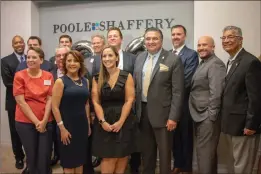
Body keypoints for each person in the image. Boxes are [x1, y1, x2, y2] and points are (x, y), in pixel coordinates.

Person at [133, 27, 184, 174]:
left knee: (164, 154)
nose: (151, 42)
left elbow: (178, 91)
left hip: (164, 115)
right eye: (148, 39)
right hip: (142, 113)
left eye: (155, 38)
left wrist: (173, 117)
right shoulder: (140, 58)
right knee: (147, 154)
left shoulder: (173, 59)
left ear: (161, 40)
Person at [220, 26, 261, 174]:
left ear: (240, 40)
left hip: (244, 126)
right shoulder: (232, 61)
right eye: (223, 38)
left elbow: (256, 97)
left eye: (230, 37)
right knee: (235, 164)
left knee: (243, 166)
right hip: (231, 124)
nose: (226, 41)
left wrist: (251, 124)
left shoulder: (251, 62)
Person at [91, 45, 137, 174]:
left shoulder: (126, 76)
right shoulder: (96, 77)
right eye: (104, 56)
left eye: (110, 55)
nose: (107, 58)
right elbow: (96, 101)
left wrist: (121, 121)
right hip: (104, 121)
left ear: (116, 57)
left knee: (122, 156)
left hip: (124, 120)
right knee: (108, 157)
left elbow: (129, 99)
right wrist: (102, 122)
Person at [13, 46, 54, 174]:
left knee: (45, 155)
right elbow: (20, 101)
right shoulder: (20, 76)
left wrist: (44, 120)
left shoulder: (48, 76)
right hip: (25, 122)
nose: (30, 60)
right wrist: (37, 122)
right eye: (28, 57)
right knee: (31, 155)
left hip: (46, 121)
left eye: (34, 57)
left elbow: (50, 99)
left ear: (41, 60)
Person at [189, 36, 226, 174]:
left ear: (213, 47)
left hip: (207, 117)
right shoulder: (203, 63)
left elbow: (216, 93)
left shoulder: (216, 64)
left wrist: (211, 116)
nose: (201, 48)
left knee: (204, 154)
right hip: (199, 114)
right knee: (207, 154)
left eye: (205, 45)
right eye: (199, 45)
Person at [52, 50, 91, 174]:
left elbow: (86, 104)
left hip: (82, 126)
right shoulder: (60, 82)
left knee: (80, 162)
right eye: (69, 61)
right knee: (69, 163)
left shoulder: (85, 81)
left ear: (80, 63)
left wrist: (88, 124)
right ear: (64, 63)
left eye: (75, 61)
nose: (72, 63)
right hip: (66, 126)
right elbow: (54, 107)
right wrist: (62, 128)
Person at [170, 24, 198, 174]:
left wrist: (169, 91)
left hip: (185, 104)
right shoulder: (167, 55)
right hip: (169, 105)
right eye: (173, 34)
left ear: (184, 36)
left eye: (178, 34)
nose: (175, 37)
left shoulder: (191, 55)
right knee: (174, 137)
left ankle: (187, 168)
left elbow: (187, 79)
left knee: (185, 137)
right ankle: (177, 164)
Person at [1, 35, 25, 170]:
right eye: (16, 43)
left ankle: (32, 155)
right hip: (14, 102)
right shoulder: (5, 61)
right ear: (12, 45)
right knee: (15, 131)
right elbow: (8, 82)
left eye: (21, 42)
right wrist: (28, 88)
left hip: (31, 103)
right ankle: (19, 157)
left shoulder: (30, 58)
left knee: (30, 130)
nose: (19, 45)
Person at [49, 46, 70, 166]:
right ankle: (57, 155)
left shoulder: (77, 72)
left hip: (70, 113)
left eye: (64, 55)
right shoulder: (49, 73)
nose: (61, 58)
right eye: (58, 56)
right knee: (56, 139)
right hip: (53, 114)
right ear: (55, 58)